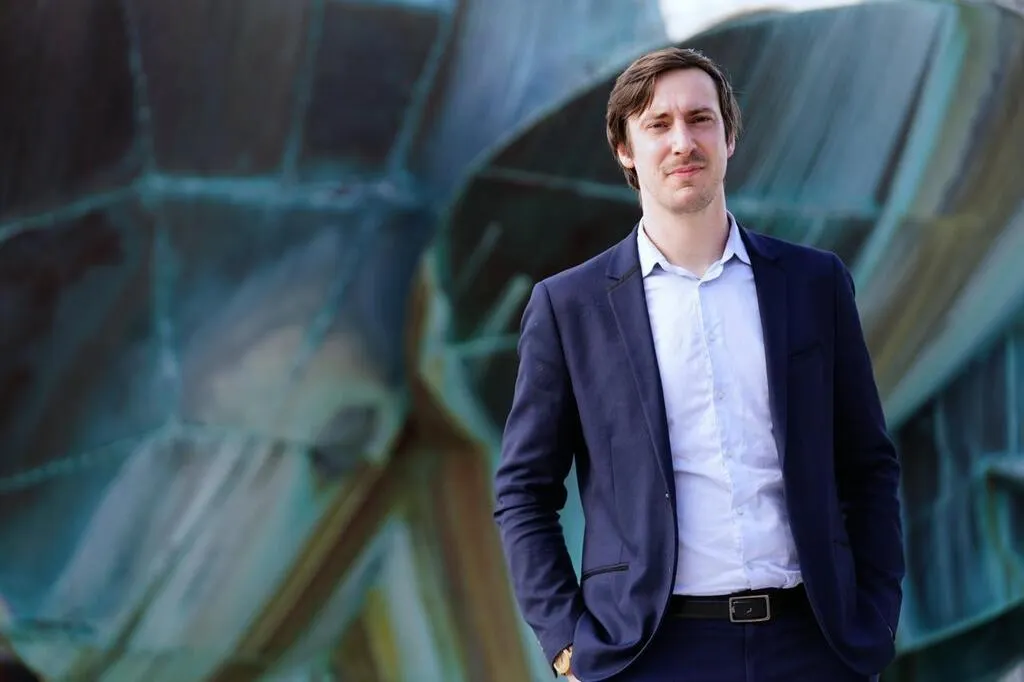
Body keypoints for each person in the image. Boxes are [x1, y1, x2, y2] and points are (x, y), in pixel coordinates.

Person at [492, 46, 905, 682]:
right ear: (625, 150)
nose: (682, 141)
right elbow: (524, 491)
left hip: (813, 644)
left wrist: (874, 619)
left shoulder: (813, 283)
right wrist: (566, 645)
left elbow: (867, 464)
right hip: (650, 654)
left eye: (700, 119)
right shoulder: (568, 307)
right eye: (658, 124)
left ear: (729, 137)